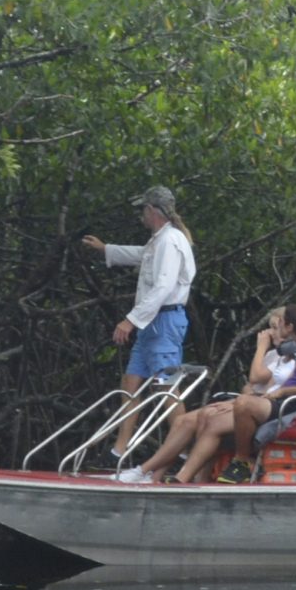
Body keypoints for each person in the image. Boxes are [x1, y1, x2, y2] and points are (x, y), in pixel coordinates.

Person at [167, 294, 296, 484]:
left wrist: (284, 392)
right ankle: (186, 479)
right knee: (213, 420)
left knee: (245, 404)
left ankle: (241, 462)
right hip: (284, 402)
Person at [123, 303, 296, 483]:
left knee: (209, 418)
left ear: (288, 328)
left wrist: (261, 347)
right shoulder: (280, 356)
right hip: (256, 402)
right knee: (184, 420)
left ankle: (170, 474)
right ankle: (154, 475)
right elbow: (257, 386)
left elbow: (258, 380)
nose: (270, 333)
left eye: (275, 328)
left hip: (268, 408)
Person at [81, 186, 195, 458]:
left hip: (164, 323)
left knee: (167, 386)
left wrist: (129, 321)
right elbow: (140, 255)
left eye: (143, 210)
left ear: (152, 211)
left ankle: (186, 450)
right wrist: (105, 249)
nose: (141, 216)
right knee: (131, 381)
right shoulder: (159, 240)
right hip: (151, 326)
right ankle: (119, 449)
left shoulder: (170, 240)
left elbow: (164, 286)